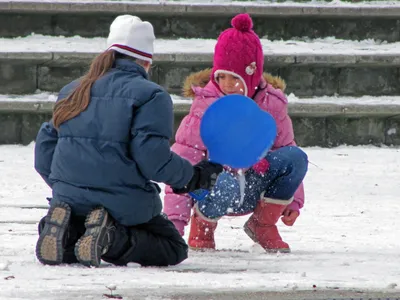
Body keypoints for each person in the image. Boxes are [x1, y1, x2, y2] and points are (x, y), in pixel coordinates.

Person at [34, 15, 222, 268]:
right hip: (123, 202)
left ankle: (66, 230)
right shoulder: (151, 95)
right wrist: (192, 177)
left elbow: (45, 148)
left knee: (78, 231)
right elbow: (152, 159)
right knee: (172, 247)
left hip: (69, 198)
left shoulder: (73, 89)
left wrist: (65, 186)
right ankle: (110, 238)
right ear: (146, 61)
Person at [164, 13, 308, 253]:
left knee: (295, 157)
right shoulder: (205, 106)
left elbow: (286, 146)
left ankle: (262, 224)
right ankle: (203, 226)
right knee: (224, 182)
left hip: (252, 187)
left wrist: (293, 200)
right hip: (214, 190)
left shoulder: (271, 104)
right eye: (221, 76)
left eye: (235, 78)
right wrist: (174, 225)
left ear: (251, 76)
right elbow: (183, 162)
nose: (228, 84)